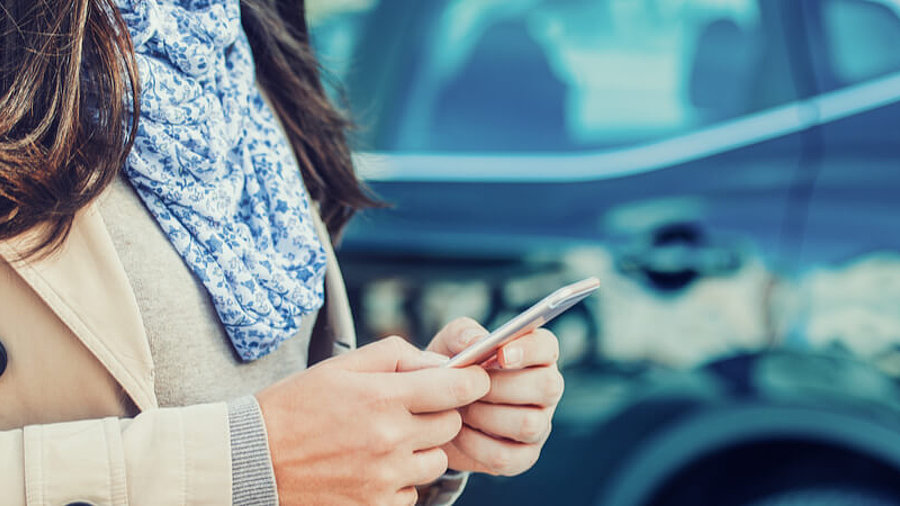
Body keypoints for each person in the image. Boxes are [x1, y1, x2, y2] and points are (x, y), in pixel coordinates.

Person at [0, 0, 564, 504]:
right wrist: (250, 463)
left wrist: (411, 430)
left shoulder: (243, 46)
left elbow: (280, 406)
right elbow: (267, 456)